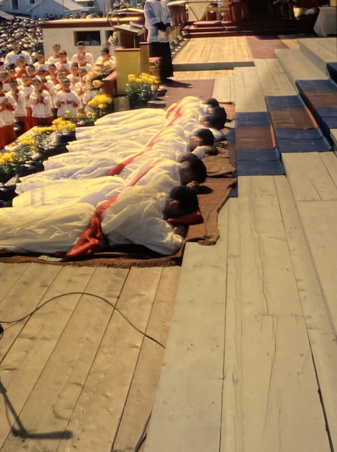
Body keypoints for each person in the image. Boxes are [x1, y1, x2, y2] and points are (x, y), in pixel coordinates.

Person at [0, 185, 200, 257]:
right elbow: (168, 246)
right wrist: (177, 232)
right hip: (78, 232)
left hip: (81, 213)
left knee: (27, 219)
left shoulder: (146, 191)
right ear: (174, 204)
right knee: (25, 234)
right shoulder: (146, 216)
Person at [144, 0, 173, 83]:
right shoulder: (148, 3)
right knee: (156, 55)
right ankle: (157, 77)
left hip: (164, 34)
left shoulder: (164, 2)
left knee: (165, 55)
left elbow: (168, 16)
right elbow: (151, 18)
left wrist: (168, 25)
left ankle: (165, 76)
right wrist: (164, 27)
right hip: (155, 34)